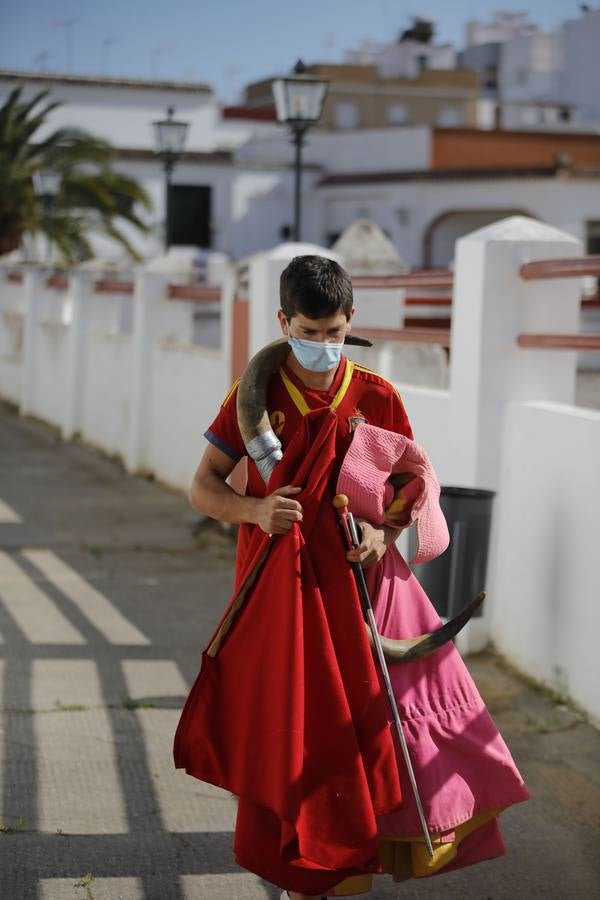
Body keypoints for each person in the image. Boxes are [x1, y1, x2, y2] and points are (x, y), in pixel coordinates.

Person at [174, 254, 528, 899]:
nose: (323, 346)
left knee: (363, 729)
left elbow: (409, 489)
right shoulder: (252, 395)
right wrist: (254, 509)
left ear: (351, 321)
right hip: (277, 592)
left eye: (334, 333)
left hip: (362, 595)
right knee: (288, 725)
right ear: (283, 321)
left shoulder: (375, 393)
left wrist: (381, 534)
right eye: (308, 333)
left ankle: (347, 870)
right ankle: (296, 866)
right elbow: (202, 488)